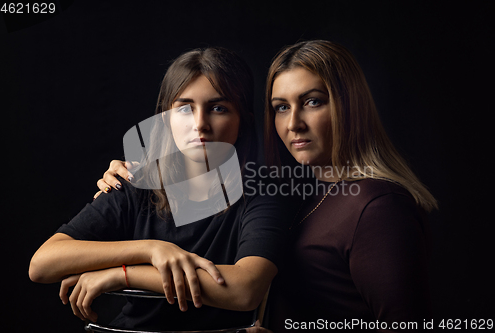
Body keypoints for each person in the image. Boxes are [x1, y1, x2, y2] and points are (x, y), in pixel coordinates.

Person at [99, 40, 437, 332]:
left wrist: (123, 273)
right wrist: (135, 174)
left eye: (313, 101)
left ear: (351, 106)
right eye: (281, 108)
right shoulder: (300, 192)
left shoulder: (378, 207)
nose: (293, 123)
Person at [29, 47, 291, 331]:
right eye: (184, 109)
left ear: (243, 120)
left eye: (219, 108)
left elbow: (245, 289)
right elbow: (42, 265)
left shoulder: (263, 190)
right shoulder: (135, 182)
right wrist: (151, 250)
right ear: (165, 119)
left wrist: (123, 274)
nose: (200, 124)